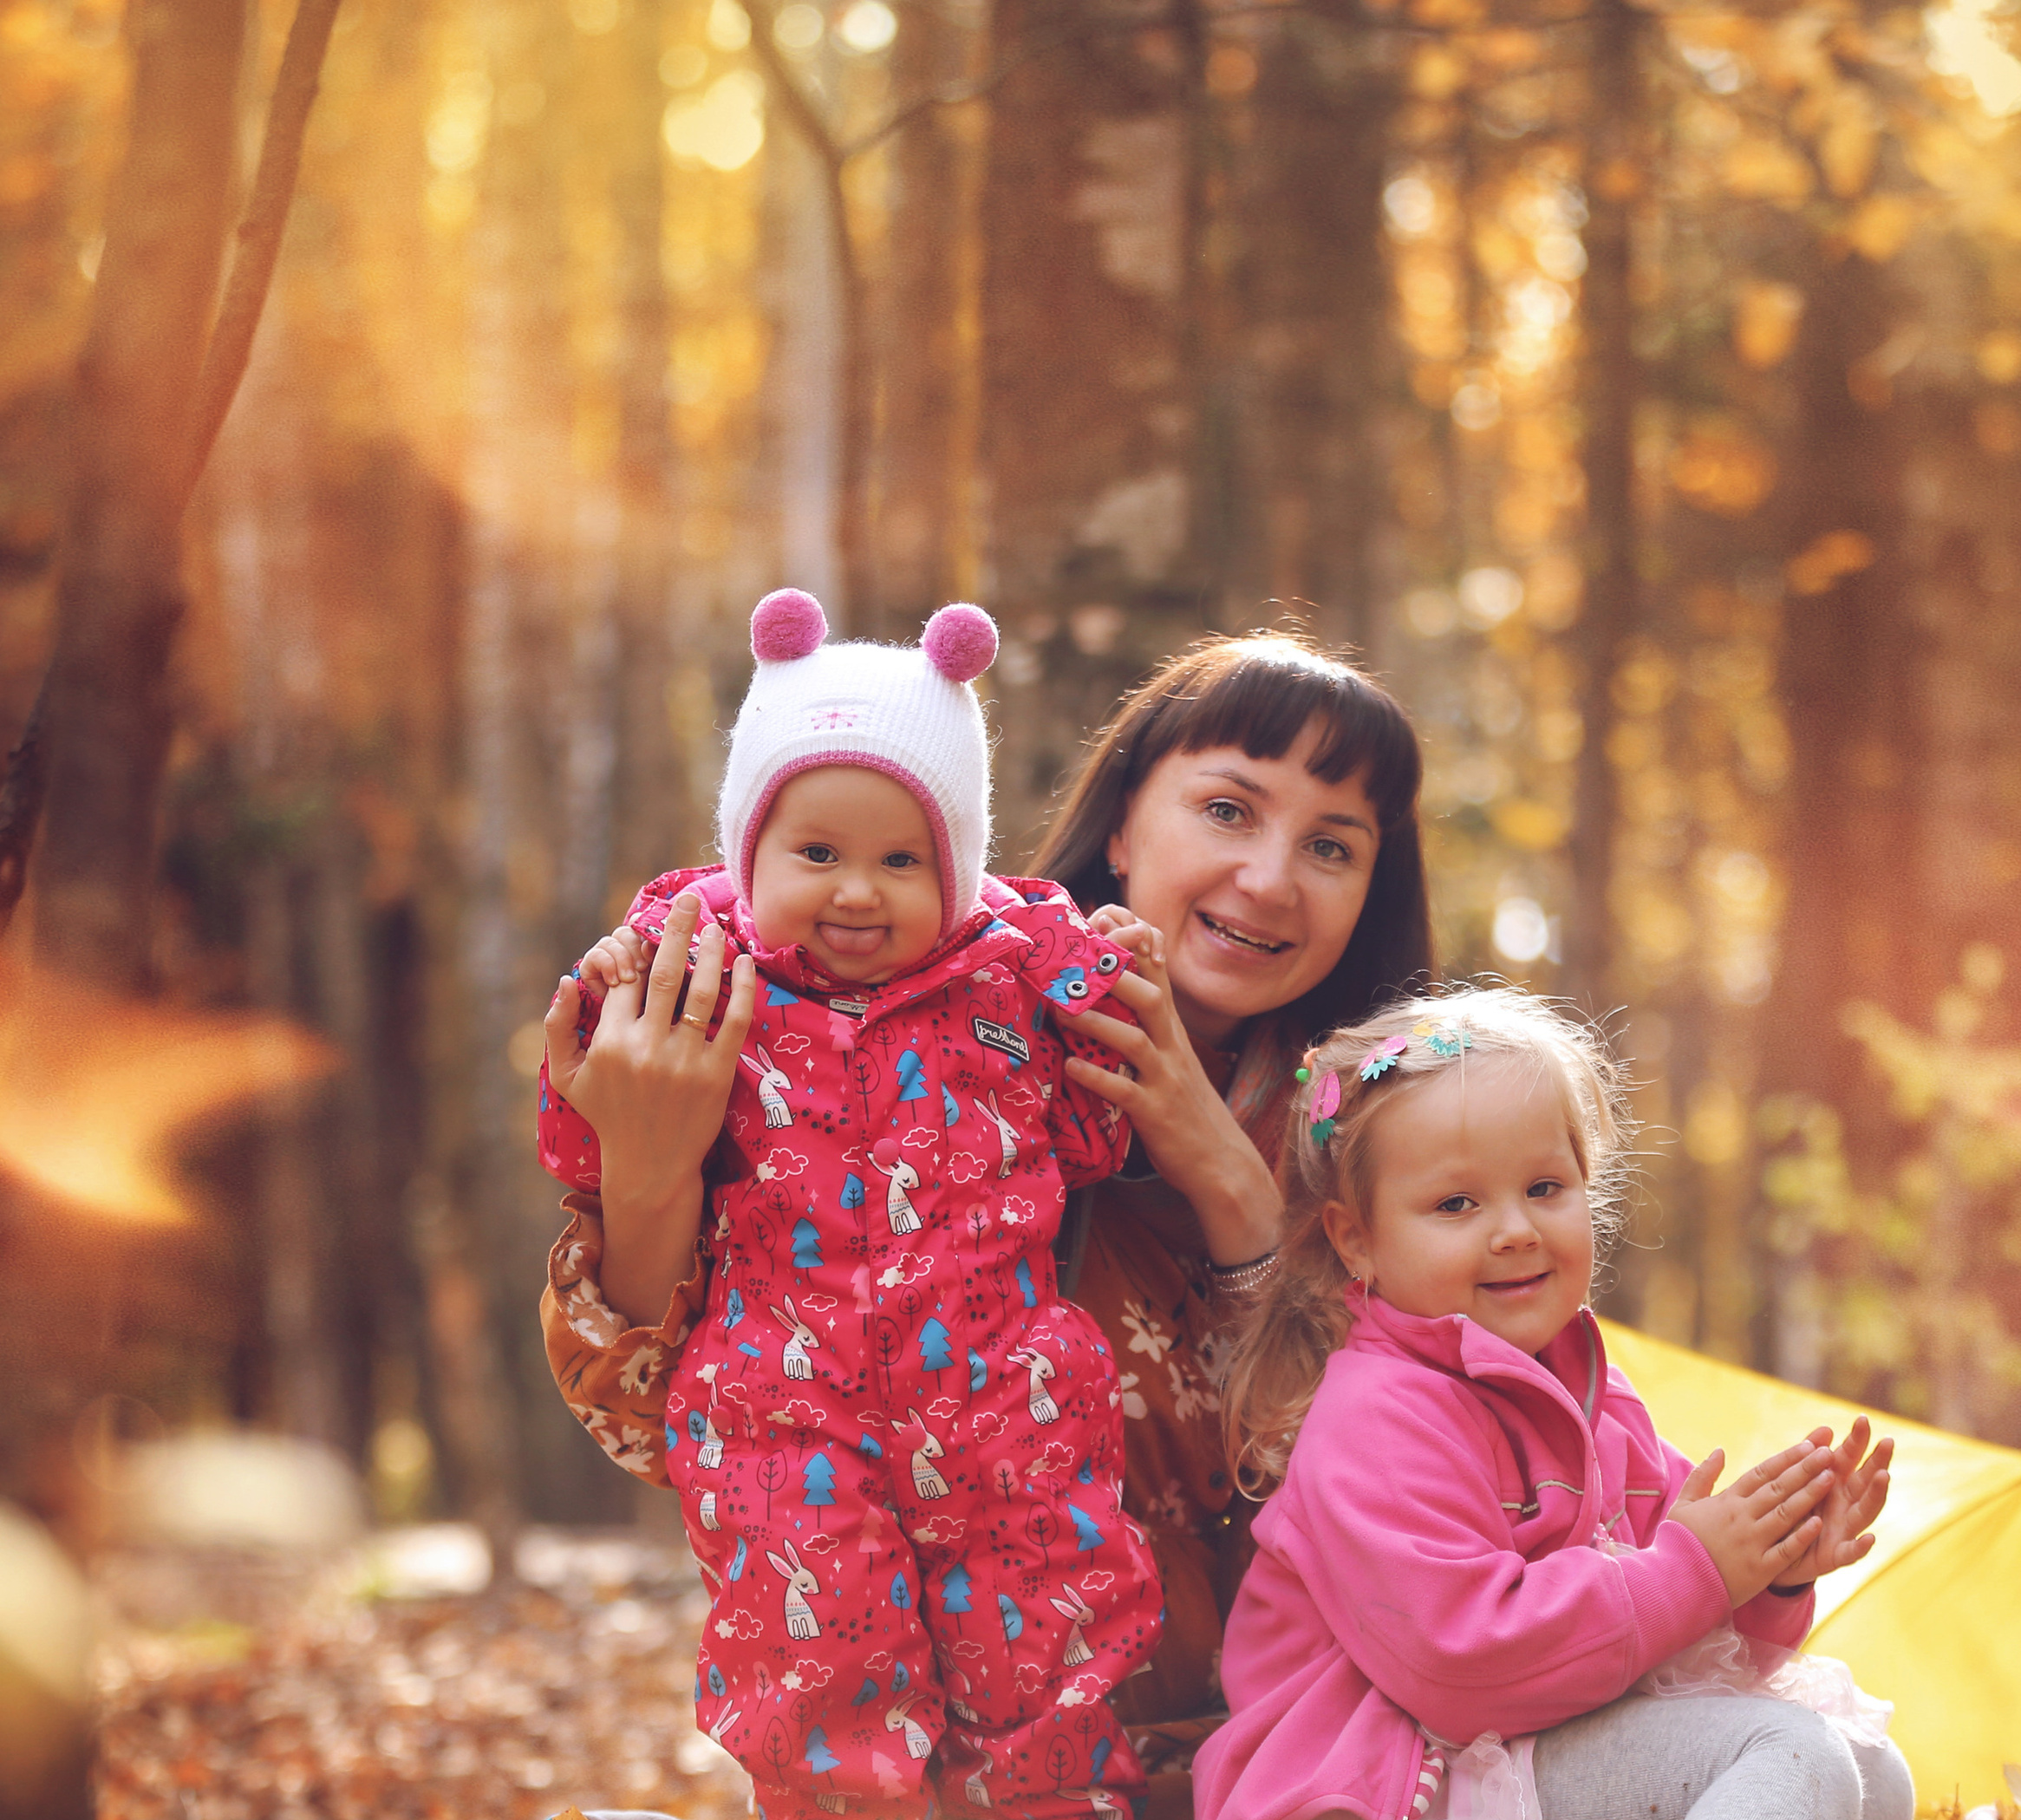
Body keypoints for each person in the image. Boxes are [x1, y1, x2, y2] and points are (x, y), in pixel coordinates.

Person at [539, 630, 1433, 1740]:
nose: (1267, 878)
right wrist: (648, 1165)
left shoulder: (1400, 1123)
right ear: (1120, 820)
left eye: (1332, 847)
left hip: (1314, 1756)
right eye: (1227, 811)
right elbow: (654, 1423)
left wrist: (1226, 1178)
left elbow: (1422, 1475)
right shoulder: (881, 1024)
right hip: (938, 1784)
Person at [539, 587, 1182, 1820]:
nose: (855, 891)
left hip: (999, 1379)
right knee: (811, 1615)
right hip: (782, 1387)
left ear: (959, 869)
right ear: (746, 850)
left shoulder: (1007, 974)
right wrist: (605, 997)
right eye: (816, 849)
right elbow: (589, 1131)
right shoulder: (700, 974)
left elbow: (1088, 1125)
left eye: (903, 860)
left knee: (1047, 1598)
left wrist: (1104, 978)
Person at [1188, 984, 1913, 1820]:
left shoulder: (1582, 1376)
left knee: (1877, 1784)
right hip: (1401, 1799)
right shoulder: (1375, 1416)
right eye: (1457, 1203)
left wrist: (1771, 1567)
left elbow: (1688, 1614)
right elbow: (1460, 1661)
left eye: (1544, 1188)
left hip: (1525, 1752)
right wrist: (1696, 1569)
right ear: (1357, 1240)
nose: (1516, 1228)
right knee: (1793, 1754)